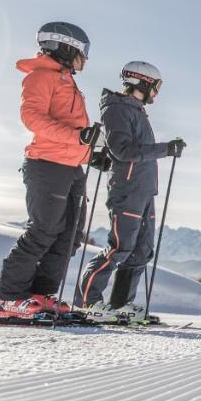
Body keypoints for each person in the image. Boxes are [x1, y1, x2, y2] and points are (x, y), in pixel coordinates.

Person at [0, 22, 100, 320]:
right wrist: (79, 138)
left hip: (71, 167)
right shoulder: (41, 77)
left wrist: (91, 154)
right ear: (64, 47)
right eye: (82, 52)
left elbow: (72, 130)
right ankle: (7, 296)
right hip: (47, 165)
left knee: (70, 236)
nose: (85, 59)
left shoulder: (66, 80)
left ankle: (40, 293)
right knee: (44, 230)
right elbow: (33, 118)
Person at [76, 60, 184, 323]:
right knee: (120, 248)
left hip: (145, 190)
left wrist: (164, 151)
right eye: (156, 87)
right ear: (143, 82)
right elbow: (123, 151)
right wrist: (165, 149)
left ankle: (121, 304)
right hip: (127, 190)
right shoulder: (117, 110)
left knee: (142, 250)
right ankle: (87, 303)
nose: (157, 94)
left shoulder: (136, 110)